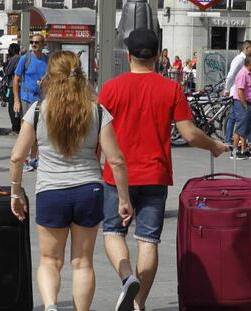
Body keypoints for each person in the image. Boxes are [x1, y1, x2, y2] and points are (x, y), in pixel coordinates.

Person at [98, 28, 228, 311]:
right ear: (157, 57)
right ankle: (138, 304)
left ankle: (126, 277)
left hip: (116, 176)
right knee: (148, 240)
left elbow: (99, 134)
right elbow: (191, 134)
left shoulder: (110, 89)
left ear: (128, 55)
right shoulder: (171, 89)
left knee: (112, 233)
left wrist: (96, 163)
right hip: (154, 175)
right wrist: (214, 146)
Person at [9, 51, 133, 311]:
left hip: (50, 192)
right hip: (89, 190)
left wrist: (15, 193)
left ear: (50, 78)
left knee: (49, 260)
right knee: (83, 262)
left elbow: (17, 157)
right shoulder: (97, 110)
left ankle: (51, 306)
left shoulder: (38, 111)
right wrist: (123, 198)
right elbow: (117, 160)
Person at [13, 34, 48, 172]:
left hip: (41, 99)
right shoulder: (25, 59)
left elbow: (52, 77)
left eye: (37, 42)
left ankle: (33, 159)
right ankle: (23, 159)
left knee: (38, 131)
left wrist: (46, 81)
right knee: (26, 130)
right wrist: (16, 100)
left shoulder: (47, 60)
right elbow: (16, 79)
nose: (34, 44)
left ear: (43, 44)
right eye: (32, 42)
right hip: (26, 98)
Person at [223, 40, 251, 154]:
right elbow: (231, 75)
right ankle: (234, 146)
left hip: (243, 96)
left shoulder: (247, 66)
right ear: (246, 48)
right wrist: (227, 89)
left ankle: (245, 146)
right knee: (238, 121)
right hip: (239, 96)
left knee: (242, 122)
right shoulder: (239, 60)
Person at [231, 55, 251, 160]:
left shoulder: (250, 74)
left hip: (247, 102)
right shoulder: (242, 74)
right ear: (250, 64)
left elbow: (249, 89)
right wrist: (244, 105)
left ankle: (244, 149)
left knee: (245, 128)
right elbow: (240, 91)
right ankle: (234, 151)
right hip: (241, 103)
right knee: (240, 127)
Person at [3, 43, 21, 135]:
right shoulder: (21, 57)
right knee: (18, 108)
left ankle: (15, 128)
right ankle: (18, 127)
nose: (8, 50)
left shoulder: (14, 58)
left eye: (9, 49)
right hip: (20, 86)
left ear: (13, 50)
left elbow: (7, 71)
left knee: (11, 107)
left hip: (13, 86)